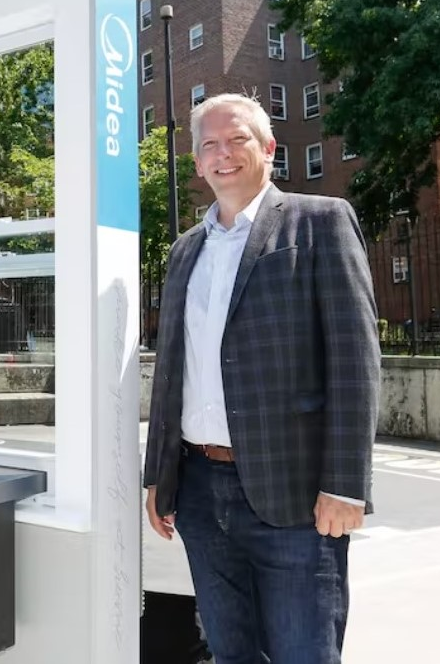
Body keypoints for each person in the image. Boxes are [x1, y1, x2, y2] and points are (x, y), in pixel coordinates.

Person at [143, 93, 380, 664]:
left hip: (295, 496)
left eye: (237, 140)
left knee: (304, 654)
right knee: (230, 654)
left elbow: (355, 359)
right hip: (200, 493)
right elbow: (171, 370)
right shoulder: (184, 251)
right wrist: (159, 477)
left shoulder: (320, 222)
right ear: (197, 162)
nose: (222, 154)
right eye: (209, 145)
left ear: (269, 148)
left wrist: (346, 484)